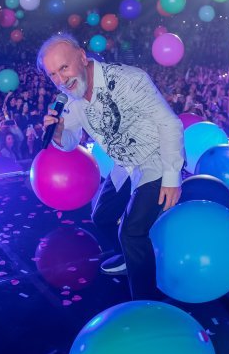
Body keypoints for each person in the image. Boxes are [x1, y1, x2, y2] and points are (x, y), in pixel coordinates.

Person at [38, 34, 184, 300]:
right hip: (125, 166)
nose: (61, 80)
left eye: (64, 68)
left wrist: (172, 177)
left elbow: (170, 124)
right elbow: (69, 142)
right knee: (101, 217)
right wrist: (58, 132)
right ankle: (134, 259)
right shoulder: (70, 100)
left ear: (83, 57)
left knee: (131, 232)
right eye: (53, 75)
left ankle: (147, 304)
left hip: (156, 160)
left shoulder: (129, 79)